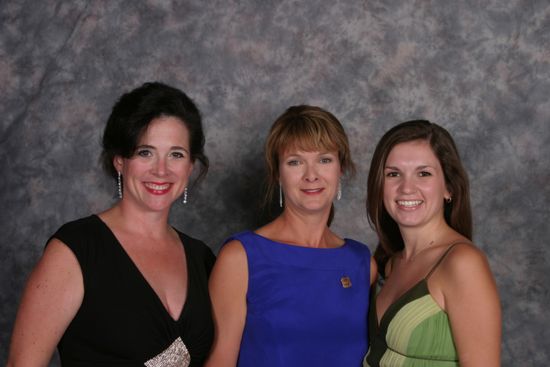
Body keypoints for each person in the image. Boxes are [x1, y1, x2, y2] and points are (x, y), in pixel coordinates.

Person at [7, 82, 215, 366]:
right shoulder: (76, 250)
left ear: (190, 166)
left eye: (176, 154)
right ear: (119, 160)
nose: (161, 170)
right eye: (145, 152)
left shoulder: (203, 259)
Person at [205, 105, 377, 367]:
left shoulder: (362, 262)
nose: (311, 175)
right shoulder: (241, 257)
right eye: (295, 161)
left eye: (324, 159)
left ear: (340, 168)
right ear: (277, 174)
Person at [363, 120, 501, 366]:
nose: (407, 188)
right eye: (393, 174)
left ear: (448, 187)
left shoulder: (462, 263)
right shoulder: (391, 263)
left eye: (423, 173)